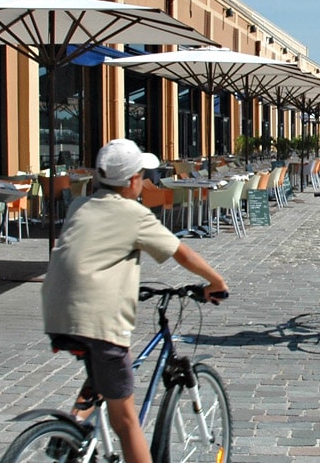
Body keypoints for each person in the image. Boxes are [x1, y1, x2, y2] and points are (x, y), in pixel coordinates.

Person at [42, 138, 229, 463]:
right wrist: (216, 281)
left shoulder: (79, 205)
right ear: (131, 181)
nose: (144, 182)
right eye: (142, 176)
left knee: (99, 372)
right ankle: (76, 443)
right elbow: (182, 252)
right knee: (126, 420)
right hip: (98, 319)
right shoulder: (134, 214)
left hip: (56, 311)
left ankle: (70, 434)